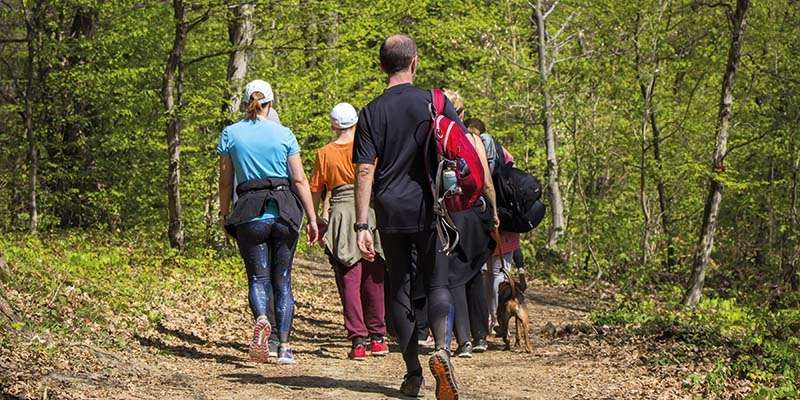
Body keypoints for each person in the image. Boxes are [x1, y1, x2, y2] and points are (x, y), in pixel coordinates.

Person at [353, 34, 462, 399]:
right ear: (414, 62)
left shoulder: (370, 112)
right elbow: (459, 152)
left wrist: (361, 224)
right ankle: (443, 351)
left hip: (389, 209)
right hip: (431, 206)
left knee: (398, 285)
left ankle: (413, 373)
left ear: (382, 66)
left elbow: (365, 170)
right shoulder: (436, 102)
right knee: (438, 284)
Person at [218, 79, 319, 365]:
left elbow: (226, 182)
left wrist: (225, 214)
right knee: (283, 280)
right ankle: (285, 347)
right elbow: (299, 179)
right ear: (271, 103)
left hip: (250, 211)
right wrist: (312, 217)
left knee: (258, 279)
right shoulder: (285, 133)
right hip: (285, 210)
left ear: (246, 102)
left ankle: (263, 319)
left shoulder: (230, 134)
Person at [309, 102, 388, 361]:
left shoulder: (324, 153)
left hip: (342, 214)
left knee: (349, 280)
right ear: (356, 122)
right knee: (374, 277)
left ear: (333, 125)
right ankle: (378, 337)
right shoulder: (369, 147)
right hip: (369, 210)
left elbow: (315, 190)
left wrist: (316, 221)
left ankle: (358, 340)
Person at [440, 93, 498, 358]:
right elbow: (485, 181)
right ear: (462, 113)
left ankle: (462, 340)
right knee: (474, 271)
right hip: (475, 211)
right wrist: (494, 211)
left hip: (449, 213)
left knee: (454, 276)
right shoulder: (473, 139)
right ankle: (480, 336)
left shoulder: (436, 136)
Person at [466, 118, 522, 333]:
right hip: (506, 220)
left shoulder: (470, 149)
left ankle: (490, 319)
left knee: (484, 273)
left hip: (482, 215)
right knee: (500, 272)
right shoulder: (503, 154)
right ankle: (499, 319)